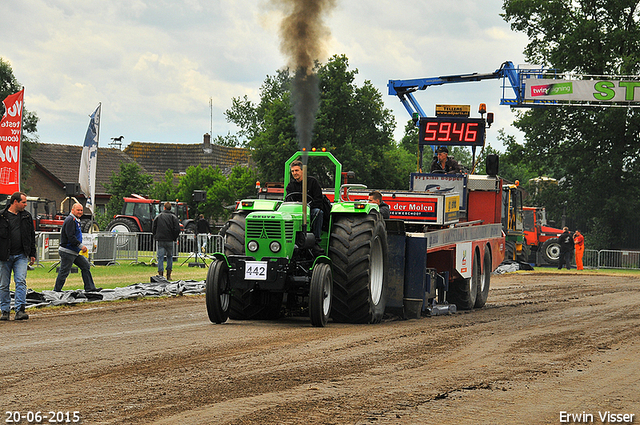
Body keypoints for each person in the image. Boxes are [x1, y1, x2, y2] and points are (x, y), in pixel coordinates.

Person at [0, 192, 36, 321]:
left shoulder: (26, 216)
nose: (25, 205)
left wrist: (32, 253)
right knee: (4, 284)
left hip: (21, 255)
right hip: (4, 256)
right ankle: (5, 311)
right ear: (15, 202)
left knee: (20, 281)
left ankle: (20, 310)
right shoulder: (2, 216)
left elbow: (31, 235)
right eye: (24, 202)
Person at [54, 203, 101, 293]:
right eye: (78, 210)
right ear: (72, 210)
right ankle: (56, 291)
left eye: (81, 210)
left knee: (85, 266)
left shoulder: (75, 220)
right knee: (64, 271)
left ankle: (90, 288)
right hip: (68, 251)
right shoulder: (70, 220)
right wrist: (80, 246)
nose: (80, 212)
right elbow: (70, 236)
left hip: (73, 252)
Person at [285, 160, 324, 253]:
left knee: (318, 212)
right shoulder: (290, 186)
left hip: (310, 209)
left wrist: (308, 206)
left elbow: (318, 199)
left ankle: (315, 239)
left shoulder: (312, 182)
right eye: (293, 171)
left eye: (297, 170)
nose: (294, 173)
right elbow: (288, 200)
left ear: (303, 171)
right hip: (295, 211)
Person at [152, 202, 181, 280]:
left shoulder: (158, 216)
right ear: (170, 208)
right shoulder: (173, 217)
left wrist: (155, 236)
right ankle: (168, 274)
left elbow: (154, 227)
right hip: (169, 239)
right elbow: (177, 229)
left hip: (160, 239)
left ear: (164, 208)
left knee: (160, 257)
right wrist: (174, 237)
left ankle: (160, 275)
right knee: (169, 256)